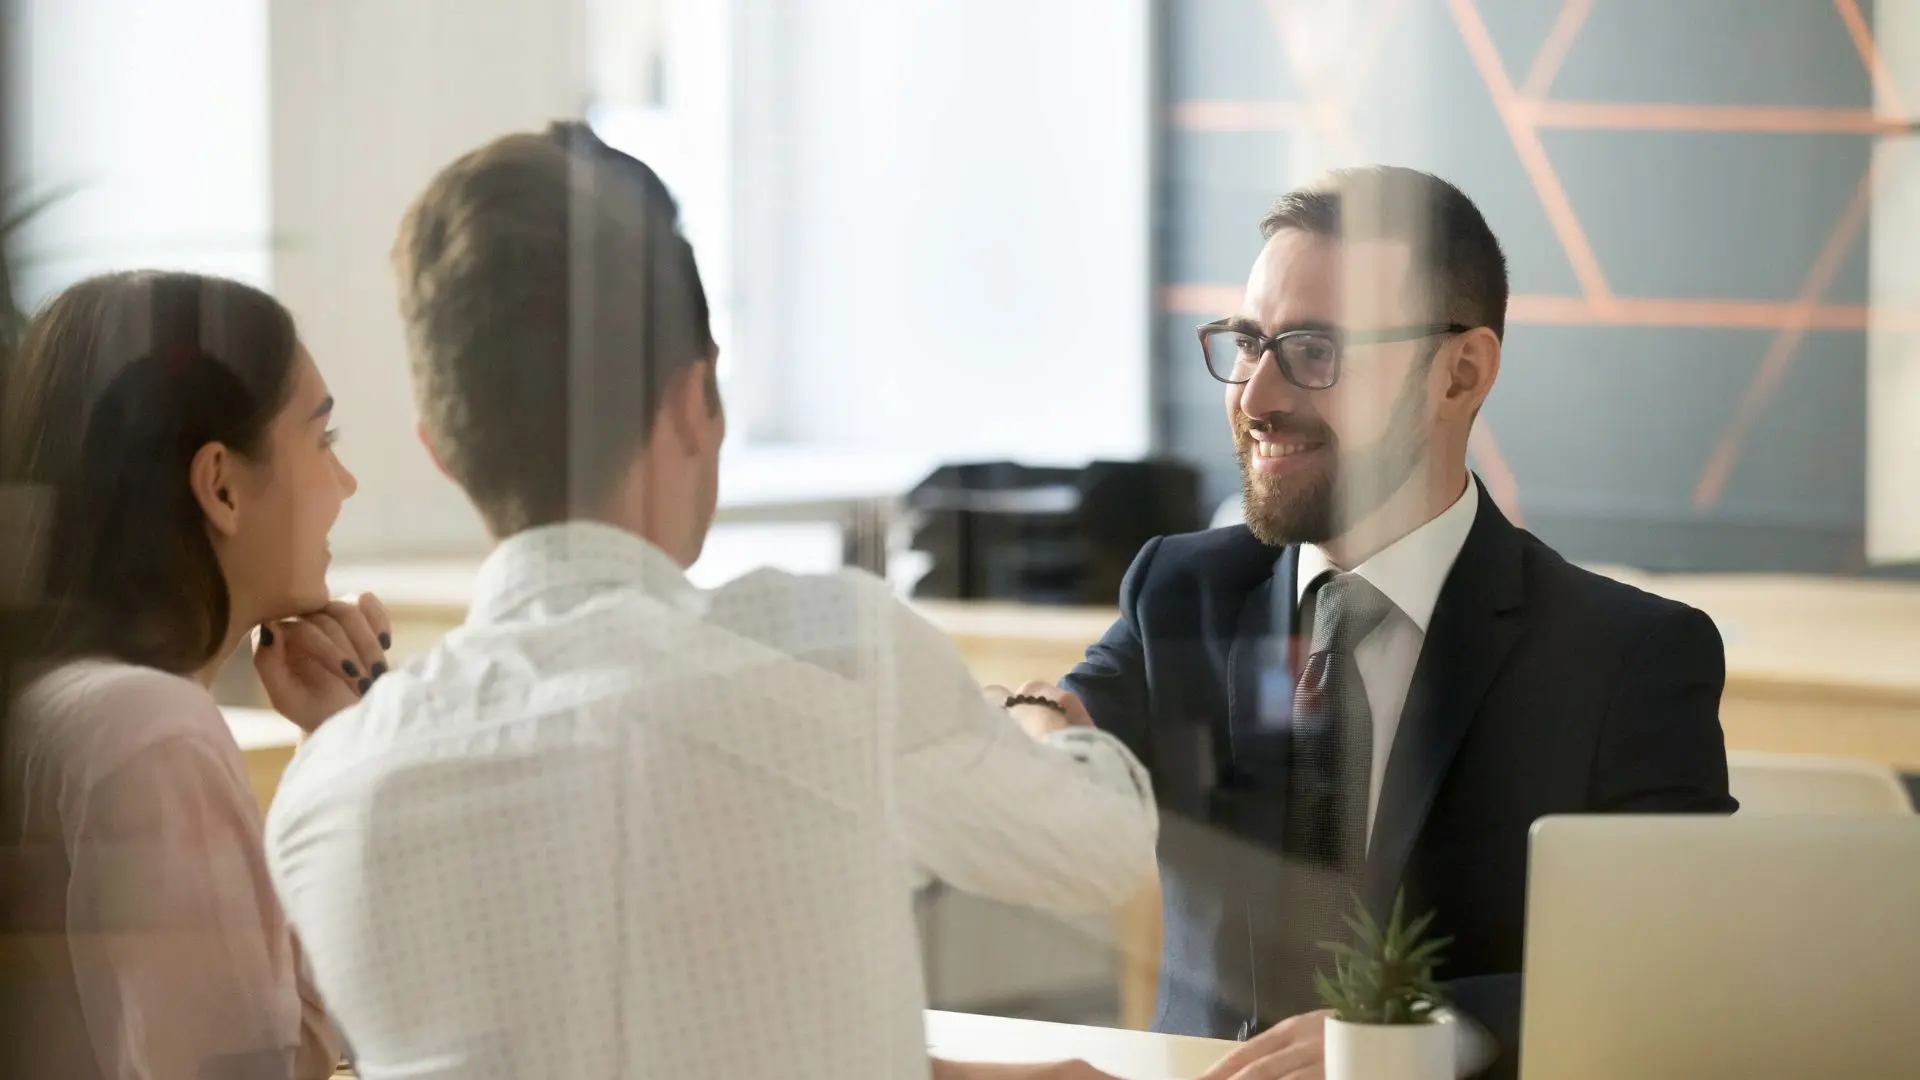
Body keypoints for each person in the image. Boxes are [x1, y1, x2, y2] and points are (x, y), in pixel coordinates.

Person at [262, 123, 1158, 1080]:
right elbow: (1099, 850)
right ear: (694, 398)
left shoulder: (322, 797)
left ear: (439, 445)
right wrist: (1035, 720)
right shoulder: (832, 650)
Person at [1030, 167, 1738, 1080]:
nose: (1255, 397)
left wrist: (1409, 1033)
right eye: (1250, 343)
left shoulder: (1627, 657)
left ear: (1461, 374)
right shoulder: (1184, 591)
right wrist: (1035, 725)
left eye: (1315, 351)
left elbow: (1681, 971)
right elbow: (1069, 724)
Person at [0, 271, 397, 1080]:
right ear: (219, 484)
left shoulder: (58, 700)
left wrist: (332, 748)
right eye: (323, 439)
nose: (345, 482)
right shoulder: (151, 730)